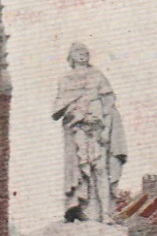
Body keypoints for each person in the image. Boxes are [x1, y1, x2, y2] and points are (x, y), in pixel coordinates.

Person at [51, 42, 128, 223]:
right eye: (78, 51)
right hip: (78, 129)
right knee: (81, 170)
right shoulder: (65, 79)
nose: (83, 54)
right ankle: (81, 209)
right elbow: (58, 109)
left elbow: (108, 105)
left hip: (97, 129)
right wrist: (77, 114)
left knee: (101, 169)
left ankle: (106, 213)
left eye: (85, 51)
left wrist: (105, 128)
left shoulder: (98, 76)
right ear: (71, 56)